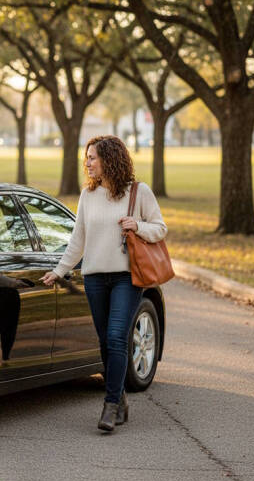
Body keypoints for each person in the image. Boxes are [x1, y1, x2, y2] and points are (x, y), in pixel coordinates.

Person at [40, 136, 167, 432]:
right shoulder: (88, 195)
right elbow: (78, 240)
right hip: (95, 278)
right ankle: (120, 398)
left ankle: (109, 405)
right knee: (104, 342)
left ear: (110, 159)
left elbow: (160, 228)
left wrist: (138, 225)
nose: (87, 163)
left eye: (92, 157)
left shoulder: (138, 192)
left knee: (116, 337)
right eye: (86, 157)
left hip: (126, 278)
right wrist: (59, 271)